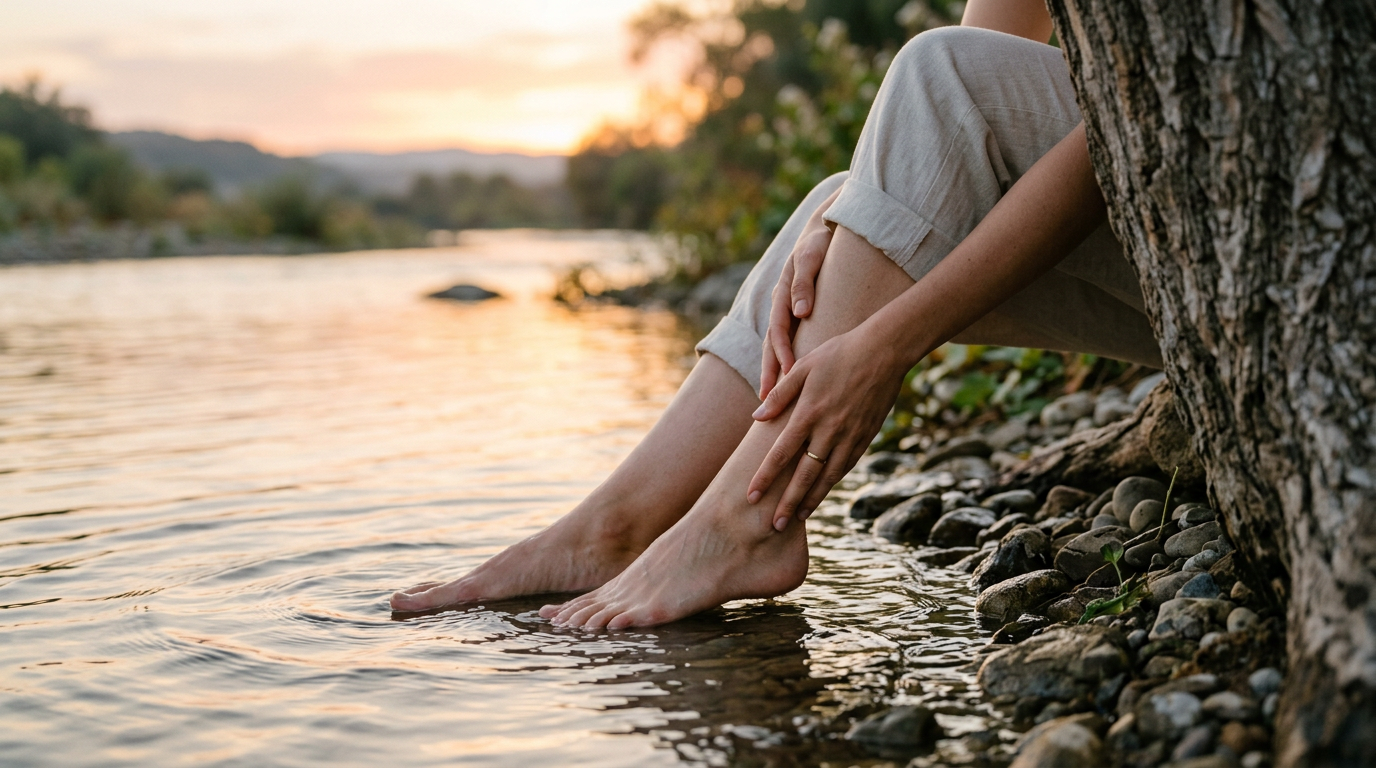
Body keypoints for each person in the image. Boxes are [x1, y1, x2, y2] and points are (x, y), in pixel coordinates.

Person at [391, 0, 1162, 628]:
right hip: (1158, 254)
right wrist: (854, 203)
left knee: (936, 69)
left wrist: (885, 345)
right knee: (827, 205)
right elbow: (988, 71)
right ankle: (614, 528)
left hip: (1230, 239)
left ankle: (742, 522)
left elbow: (1140, 118)